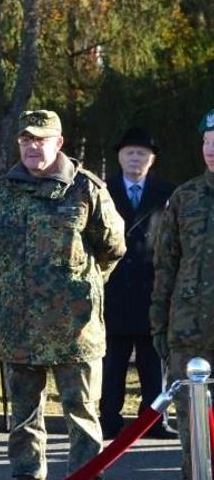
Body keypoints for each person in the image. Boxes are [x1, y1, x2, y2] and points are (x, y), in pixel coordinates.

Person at [0, 110, 125, 480]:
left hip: (74, 327)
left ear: (58, 143)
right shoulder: (2, 190)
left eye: (40, 140)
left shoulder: (86, 188)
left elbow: (112, 246)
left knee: (81, 414)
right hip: (19, 325)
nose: (31, 147)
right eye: (25, 140)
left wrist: (79, 285)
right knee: (24, 416)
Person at [150, 107, 214, 480]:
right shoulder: (185, 198)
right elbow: (165, 265)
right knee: (194, 426)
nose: (213, 151)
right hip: (190, 331)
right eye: (208, 144)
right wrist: (159, 321)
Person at [101, 127, 176, 440]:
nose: (135, 158)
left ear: (152, 159)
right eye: (130, 152)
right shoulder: (103, 189)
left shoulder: (168, 192)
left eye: (142, 153)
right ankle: (107, 419)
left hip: (151, 287)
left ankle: (153, 421)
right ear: (119, 157)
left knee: (152, 361)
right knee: (112, 362)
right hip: (113, 288)